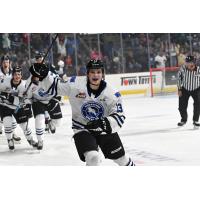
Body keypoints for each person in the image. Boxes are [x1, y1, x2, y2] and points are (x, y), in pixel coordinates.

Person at [34, 59, 135, 166]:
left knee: (122, 159)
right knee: (93, 158)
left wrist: (104, 123)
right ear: (87, 73)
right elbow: (56, 86)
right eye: (92, 72)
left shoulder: (112, 93)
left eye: (98, 72)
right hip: (82, 128)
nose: (95, 75)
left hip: (104, 129)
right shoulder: (74, 84)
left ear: (103, 74)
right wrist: (45, 75)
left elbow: (119, 116)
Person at [0, 66, 37, 150]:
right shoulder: (4, 81)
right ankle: (9, 140)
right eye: (16, 74)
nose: (17, 76)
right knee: (7, 124)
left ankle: (30, 140)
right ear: (12, 75)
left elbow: (22, 101)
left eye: (19, 74)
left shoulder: (24, 86)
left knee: (24, 126)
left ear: (21, 75)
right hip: (4, 106)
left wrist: (9, 97)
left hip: (18, 107)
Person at [0, 55, 21, 142]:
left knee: (12, 114)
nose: (6, 63)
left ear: (9, 63)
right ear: (1, 63)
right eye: (4, 62)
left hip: (10, 96)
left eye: (7, 62)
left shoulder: (13, 72)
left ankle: (13, 133)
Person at [177, 55, 200, 127]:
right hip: (185, 89)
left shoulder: (199, 69)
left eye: (190, 62)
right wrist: (179, 89)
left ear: (194, 62)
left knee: (198, 105)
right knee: (181, 106)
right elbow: (179, 79)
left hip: (196, 89)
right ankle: (183, 120)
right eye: (187, 62)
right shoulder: (182, 69)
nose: (188, 64)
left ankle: (195, 120)